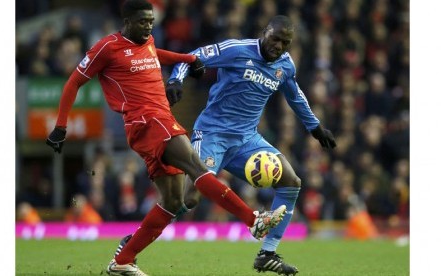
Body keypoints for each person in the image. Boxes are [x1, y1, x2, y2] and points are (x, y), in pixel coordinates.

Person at [45, 1, 287, 275]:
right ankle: (253, 219)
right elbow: (73, 82)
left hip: (157, 121)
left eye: (151, 22)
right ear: (127, 22)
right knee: (197, 166)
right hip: (146, 121)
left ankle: (123, 260)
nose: (149, 26)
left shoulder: (146, 40)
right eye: (143, 22)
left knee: (173, 201)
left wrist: (189, 60)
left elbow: (156, 53)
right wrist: (61, 126)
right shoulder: (107, 47)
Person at [165, 15, 337, 275]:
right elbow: (195, 55)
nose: (278, 46)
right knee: (189, 199)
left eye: (285, 43)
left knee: (292, 181)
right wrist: (176, 80)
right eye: (275, 38)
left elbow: (296, 96)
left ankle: (267, 254)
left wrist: (315, 127)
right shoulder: (236, 49)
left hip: (247, 139)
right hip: (213, 134)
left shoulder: (285, 65)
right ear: (264, 31)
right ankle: (138, 236)